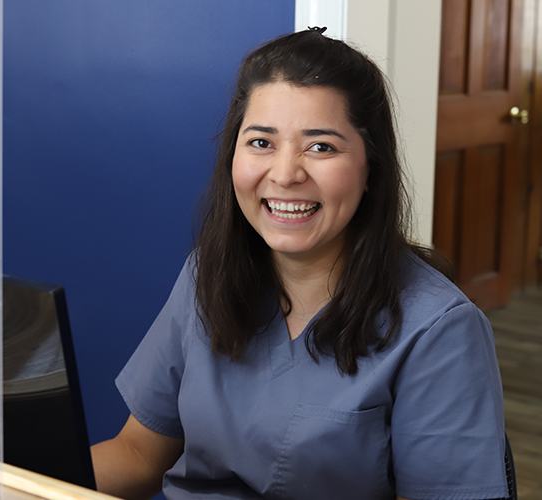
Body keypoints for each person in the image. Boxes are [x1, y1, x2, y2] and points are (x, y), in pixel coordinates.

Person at [91, 28, 509, 500]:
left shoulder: (439, 330)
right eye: (261, 143)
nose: (286, 173)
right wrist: (6, 479)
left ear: (371, 168)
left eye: (321, 147)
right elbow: (138, 455)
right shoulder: (205, 274)